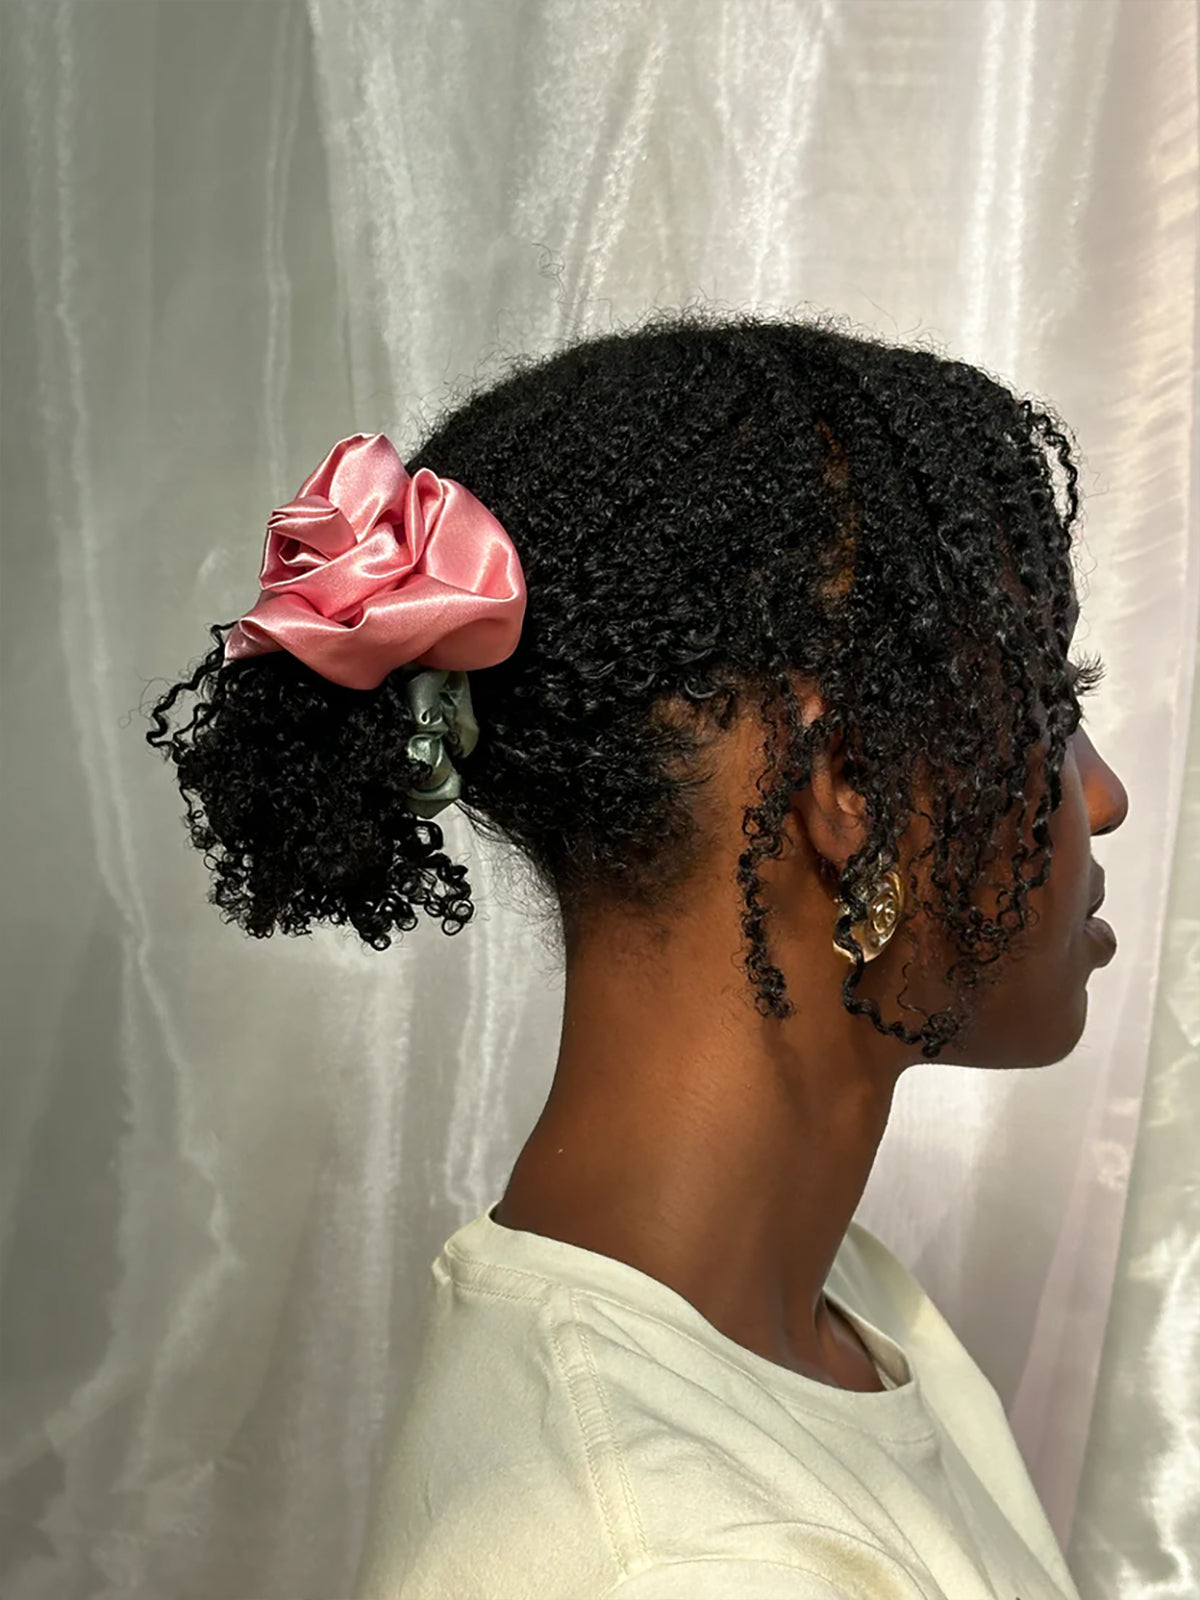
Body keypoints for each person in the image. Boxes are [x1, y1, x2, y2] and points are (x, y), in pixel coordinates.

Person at [146, 310, 1128, 1599]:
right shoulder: (669, 1559)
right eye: (1051, 705)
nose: (1101, 794)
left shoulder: (827, 1300)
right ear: (854, 784)